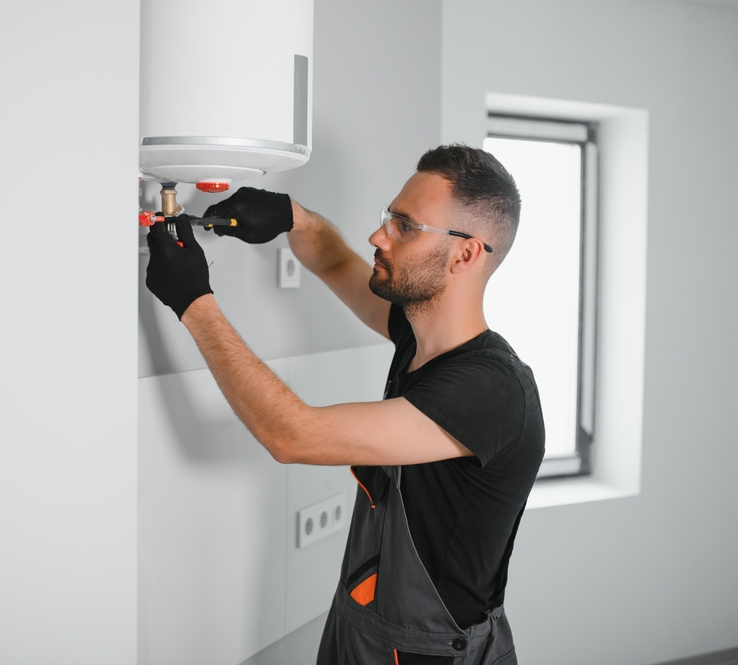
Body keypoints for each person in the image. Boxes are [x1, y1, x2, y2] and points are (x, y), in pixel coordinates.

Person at [144, 144, 545, 665]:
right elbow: (335, 261)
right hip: (362, 626)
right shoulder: (417, 333)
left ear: (466, 253)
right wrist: (294, 217)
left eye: (405, 225)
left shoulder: (490, 392)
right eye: (388, 217)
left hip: (428, 654)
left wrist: (194, 303)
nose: (378, 236)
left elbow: (294, 436)